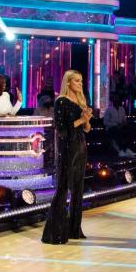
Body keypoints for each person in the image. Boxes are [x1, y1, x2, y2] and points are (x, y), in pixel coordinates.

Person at [42, 70, 92, 244]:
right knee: (63, 188)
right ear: (68, 82)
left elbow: (87, 129)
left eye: (81, 81)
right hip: (67, 148)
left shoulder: (80, 101)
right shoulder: (61, 101)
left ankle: (74, 229)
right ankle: (55, 233)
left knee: (78, 189)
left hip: (81, 147)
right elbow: (61, 129)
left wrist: (86, 119)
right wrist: (80, 120)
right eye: (77, 81)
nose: (80, 84)